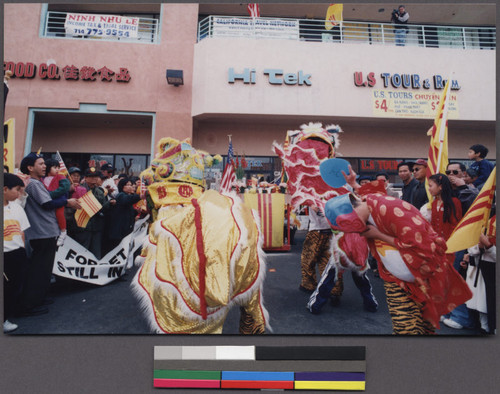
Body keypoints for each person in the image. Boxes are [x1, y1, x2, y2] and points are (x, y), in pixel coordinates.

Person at [324, 191, 471, 334]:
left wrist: (378, 235)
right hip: (394, 278)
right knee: (405, 328)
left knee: (424, 325)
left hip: (422, 274)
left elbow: (422, 247)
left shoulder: (390, 209)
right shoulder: (367, 206)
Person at [19, 153, 80, 316]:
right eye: (40, 164)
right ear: (30, 168)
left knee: (44, 269)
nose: (44, 166)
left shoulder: (37, 183)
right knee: (38, 270)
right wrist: (67, 202)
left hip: (46, 231)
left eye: (44, 163)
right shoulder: (33, 184)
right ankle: (29, 304)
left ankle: (38, 297)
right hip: (41, 233)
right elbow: (47, 203)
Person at [3, 173, 30, 333]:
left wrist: (22, 251)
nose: (19, 194)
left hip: (17, 254)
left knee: (12, 289)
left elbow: (22, 232)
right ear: (5, 189)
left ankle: (5, 318)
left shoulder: (16, 207)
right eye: (17, 190)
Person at [73, 168, 114, 259]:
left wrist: (110, 204)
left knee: (96, 252)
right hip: (83, 225)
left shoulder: (99, 191)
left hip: (96, 226)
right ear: (86, 178)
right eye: (91, 177)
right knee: (82, 251)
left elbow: (102, 207)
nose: (94, 179)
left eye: (96, 177)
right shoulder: (80, 189)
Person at [102, 178, 141, 256]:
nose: (130, 187)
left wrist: (136, 212)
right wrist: (140, 196)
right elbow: (127, 200)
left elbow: (128, 212)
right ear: (122, 186)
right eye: (127, 185)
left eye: (131, 185)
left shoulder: (127, 196)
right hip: (118, 232)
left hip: (123, 230)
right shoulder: (121, 195)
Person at [42, 158, 71, 246]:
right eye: (55, 167)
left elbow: (65, 187)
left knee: (60, 214)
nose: (57, 170)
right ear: (48, 168)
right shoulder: (42, 178)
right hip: (48, 202)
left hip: (59, 200)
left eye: (58, 167)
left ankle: (63, 232)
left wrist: (50, 195)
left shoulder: (60, 177)